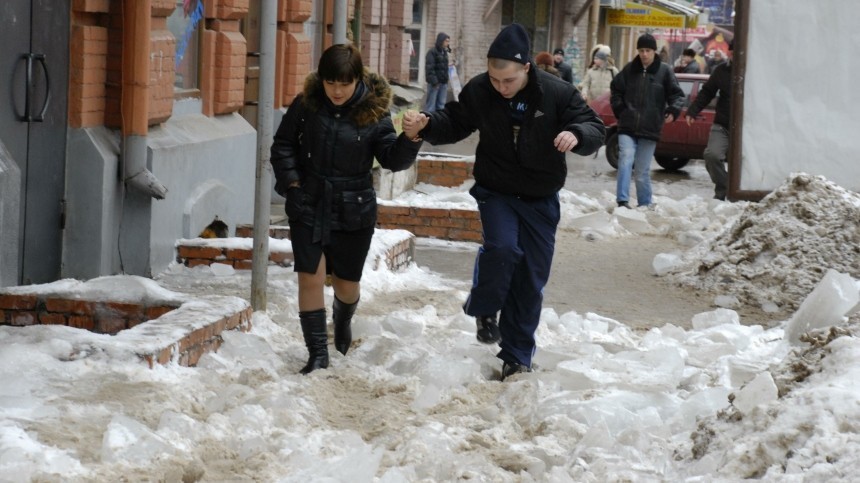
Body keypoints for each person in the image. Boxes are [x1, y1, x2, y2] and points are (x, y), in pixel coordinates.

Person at [402, 24, 605, 380]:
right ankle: (485, 309)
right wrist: (427, 123)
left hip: (540, 197)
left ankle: (516, 355)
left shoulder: (556, 93)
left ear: (526, 67)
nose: (501, 87)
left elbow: (593, 126)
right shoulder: (481, 90)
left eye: (508, 81)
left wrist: (576, 134)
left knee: (531, 278)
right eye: (495, 80)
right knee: (502, 249)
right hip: (497, 191)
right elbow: (456, 121)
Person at [270, 44, 422, 374]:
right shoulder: (307, 105)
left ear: (356, 80)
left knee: (345, 285)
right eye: (330, 83)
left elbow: (391, 158)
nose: (337, 91)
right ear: (322, 80)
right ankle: (318, 355)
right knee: (309, 277)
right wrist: (293, 185)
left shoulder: (374, 111)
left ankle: (342, 319)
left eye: (344, 83)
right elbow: (283, 145)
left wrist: (409, 139)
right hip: (310, 202)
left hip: (353, 208)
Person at [609, 33, 684, 209]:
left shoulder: (664, 71)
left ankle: (644, 204)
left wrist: (673, 110)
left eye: (648, 50)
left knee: (642, 171)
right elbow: (616, 90)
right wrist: (620, 109)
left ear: (654, 51)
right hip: (627, 125)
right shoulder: (629, 70)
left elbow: (677, 95)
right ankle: (622, 201)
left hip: (650, 128)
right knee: (625, 160)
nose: (644, 54)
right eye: (641, 50)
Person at [686, 40, 733, 200]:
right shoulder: (721, 71)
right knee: (712, 155)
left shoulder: (753, 71)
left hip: (747, 128)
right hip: (723, 124)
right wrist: (692, 111)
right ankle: (724, 188)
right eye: (732, 52)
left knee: (745, 163)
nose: (734, 55)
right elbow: (707, 92)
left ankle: (741, 195)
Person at [425, 32, 451, 112]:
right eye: (446, 41)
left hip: (443, 83)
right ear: (441, 41)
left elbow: (442, 67)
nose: (448, 43)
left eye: (448, 41)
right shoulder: (432, 52)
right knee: (431, 106)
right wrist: (435, 82)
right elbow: (430, 68)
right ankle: (429, 123)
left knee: (441, 106)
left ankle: (439, 123)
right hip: (435, 84)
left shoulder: (444, 52)